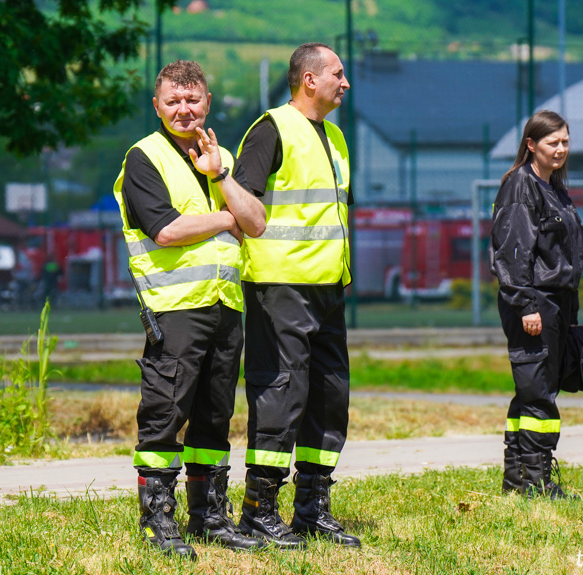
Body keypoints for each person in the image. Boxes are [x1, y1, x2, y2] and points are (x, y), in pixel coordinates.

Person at [112, 60, 267, 560]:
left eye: (192, 99)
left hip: (225, 304)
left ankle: (209, 517)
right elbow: (165, 229)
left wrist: (220, 173)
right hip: (175, 308)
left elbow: (257, 222)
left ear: (207, 103)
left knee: (214, 415)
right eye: (173, 102)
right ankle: (158, 520)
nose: (184, 110)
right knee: (165, 413)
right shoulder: (144, 158)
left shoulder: (219, 158)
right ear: (156, 106)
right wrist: (225, 217)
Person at [235, 42, 360, 549]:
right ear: (309, 79)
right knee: (281, 393)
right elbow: (242, 202)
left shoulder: (335, 137)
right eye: (337, 73)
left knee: (330, 397)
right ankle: (260, 509)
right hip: (280, 286)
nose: (345, 82)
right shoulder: (270, 129)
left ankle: (312, 508)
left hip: (329, 288)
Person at [489, 110, 583, 500]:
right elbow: (512, 252)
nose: (560, 149)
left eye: (564, 141)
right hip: (534, 302)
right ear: (531, 145)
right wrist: (526, 304)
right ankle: (536, 480)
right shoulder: (520, 186)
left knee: (534, 388)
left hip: (557, 302)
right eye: (552, 142)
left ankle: (518, 478)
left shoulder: (553, 187)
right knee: (539, 393)